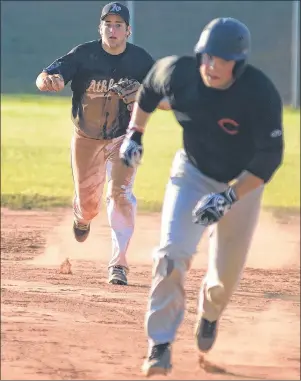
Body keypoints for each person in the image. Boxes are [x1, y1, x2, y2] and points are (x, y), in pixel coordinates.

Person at [119, 17, 284, 376]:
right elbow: (148, 91)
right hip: (191, 174)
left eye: (221, 59)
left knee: (225, 278)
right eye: (207, 56)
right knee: (171, 253)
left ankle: (209, 314)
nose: (211, 66)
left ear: (237, 64)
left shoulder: (259, 93)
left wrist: (228, 197)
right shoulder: (179, 73)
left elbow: (270, 157)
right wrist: (135, 135)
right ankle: (159, 345)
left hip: (241, 185)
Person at [36, 2, 170, 286]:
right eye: (107, 24)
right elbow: (44, 76)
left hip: (123, 137)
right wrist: (49, 81)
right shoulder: (83, 54)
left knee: (121, 194)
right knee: (88, 205)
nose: (113, 29)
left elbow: (169, 101)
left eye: (118, 25)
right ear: (100, 28)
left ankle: (119, 263)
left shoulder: (140, 60)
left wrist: (144, 96)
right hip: (86, 139)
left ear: (127, 30)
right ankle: (82, 217)